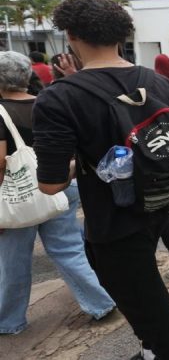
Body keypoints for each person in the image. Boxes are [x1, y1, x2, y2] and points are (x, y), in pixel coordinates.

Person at [33, 0, 169, 359]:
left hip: (115, 224)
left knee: (155, 316)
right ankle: (150, 348)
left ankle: (162, 350)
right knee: (144, 299)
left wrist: (80, 164)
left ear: (71, 35)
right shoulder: (157, 81)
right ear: (122, 34)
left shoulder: (59, 98)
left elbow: (51, 184)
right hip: (159, 201)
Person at [0, 51, 116, 335]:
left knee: (13, 261)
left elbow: (0, 162)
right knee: (69, 249)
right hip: (59, 184)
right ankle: (101, 302)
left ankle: (9, 321)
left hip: (19, 198)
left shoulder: (1, 111)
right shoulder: (46, 102)